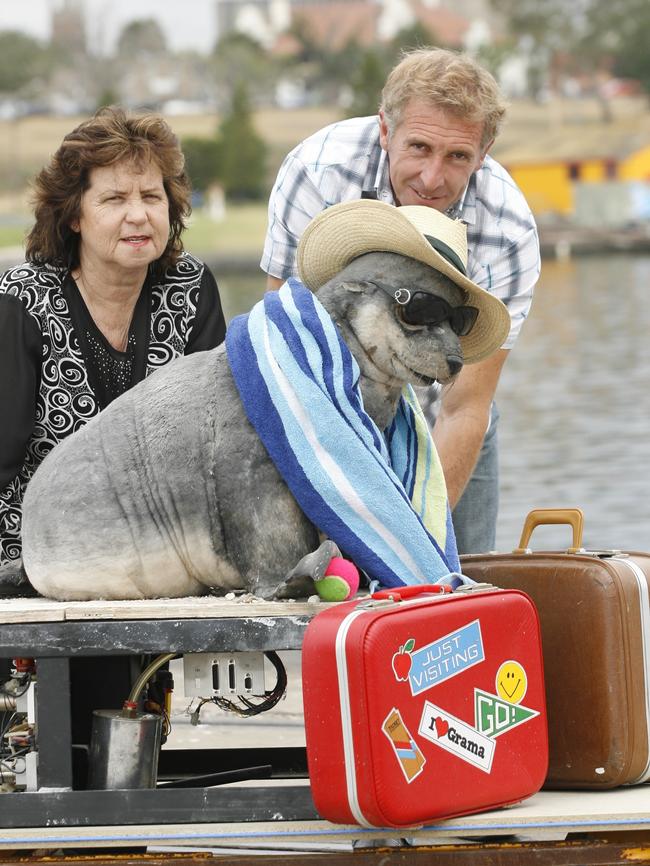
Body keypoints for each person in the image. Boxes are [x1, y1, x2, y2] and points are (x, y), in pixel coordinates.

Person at [0, 106, 226, 765]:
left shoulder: (191, 290)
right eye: (116, 198)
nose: (139, 214)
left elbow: (212, 444)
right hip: (33, 563)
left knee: (123, 758)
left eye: (152, 196)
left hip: (149, 565)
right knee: (55, 758)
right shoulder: (21, 299)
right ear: (74, 215)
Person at [261, 47, 541, 555]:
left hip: (443, 422)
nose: (432, 179)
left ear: (485, 150)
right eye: (418, 148)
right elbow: (284, 356)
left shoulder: (509, 232)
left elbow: (465, 406)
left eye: (458, 156)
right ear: (386, 131)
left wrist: (412, 544)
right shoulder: (317, 172)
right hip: (322, 412)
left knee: (453, 601)